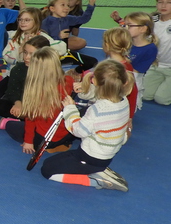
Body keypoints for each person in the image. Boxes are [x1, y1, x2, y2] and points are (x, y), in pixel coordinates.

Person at [40, 60, 133, 192]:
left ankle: (95, 180)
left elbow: (78, 130)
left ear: (94, 81)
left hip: (90, 157)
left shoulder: (98, 109)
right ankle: (99, 170)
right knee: (49, 162)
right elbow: (100, 94)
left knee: (47, 170)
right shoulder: (123, 99)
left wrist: (70, 109)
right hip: (103, 154)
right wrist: (86, 91)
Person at [4, 47, 77, 155]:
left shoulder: (35, 92)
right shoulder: (68, 81)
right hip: (67, 132)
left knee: (9, 125)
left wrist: (28, 141)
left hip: (44, 139)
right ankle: (64, 143)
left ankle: (52, 145)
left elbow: (30, 119)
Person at [0, 35, 51, 122]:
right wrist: (18, 103)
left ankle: (24, 119)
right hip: (22, 103)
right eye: (25, 52)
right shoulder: (18, 68)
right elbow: (12, 91)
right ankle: (26, 119)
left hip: (39, 106)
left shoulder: (50, 71)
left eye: (32, 54)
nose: (26, 57)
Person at [115, 11, 158, 109]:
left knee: (130, 107)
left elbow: (136, 71)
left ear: (142, 29)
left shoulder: (150, 49)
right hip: (121, 75)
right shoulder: (127, 43)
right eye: (125, 25)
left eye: (129, 26)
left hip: (134, 80)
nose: (125, 28)